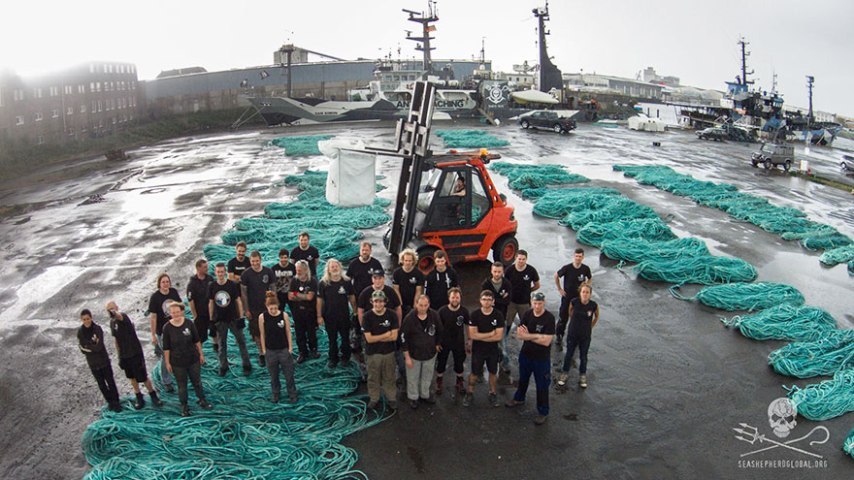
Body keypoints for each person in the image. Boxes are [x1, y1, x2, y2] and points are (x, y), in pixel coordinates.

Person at [505, 292, 555, 425]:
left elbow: (547, 341)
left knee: (542, 386)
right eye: (535, 303)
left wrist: (530, 336)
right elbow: (520, 336)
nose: (537, 306)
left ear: (543, 303)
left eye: (539, 303)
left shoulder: (549, 318)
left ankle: (543, 411)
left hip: (541, 359)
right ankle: (519, 398)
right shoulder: (527, 314)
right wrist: (538, 336)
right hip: (526, 355)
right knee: (523, 380)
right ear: (531, 302)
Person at [106, 301, 163, 409]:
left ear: (117, 307)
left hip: (135, 352)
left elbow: (119, 316)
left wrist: (115, 313)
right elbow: (116, 340)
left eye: (112, 308)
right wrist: (119, 356)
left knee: (143, 376)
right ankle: (139, 396)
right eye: (109, 310)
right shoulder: (112, 323)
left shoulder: (123, 317)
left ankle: (153, 395)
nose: (111, 311)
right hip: (124, 354)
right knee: (132, 378)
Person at [162, 302, 212, 417]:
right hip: (177, 363)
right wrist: (167, 362)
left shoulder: (189, 323)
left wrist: (201, 354)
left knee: (197, 382)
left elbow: (196, 340)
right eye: (173, 312)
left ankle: (202, 400)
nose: (176, 314)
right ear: (170, 314)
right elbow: (166, 347)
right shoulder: (167, 328)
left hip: (193, 359)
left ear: (182, 311)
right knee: (182, 385)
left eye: (177, 312)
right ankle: (184, 406)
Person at [208, 263, 252, 376]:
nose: (220, 274)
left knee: (241, 342)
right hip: (220, 320)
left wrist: (241, 317)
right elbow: (211, 303)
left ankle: (246, 365)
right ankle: (223, 366)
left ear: (225, 272)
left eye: (222, 272)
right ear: (215, 273)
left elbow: (238, 300)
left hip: (233, 318)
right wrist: (211, 320)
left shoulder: (231, 285)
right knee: (222, 345)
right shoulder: (212, 286)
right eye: (218, 272)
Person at [463, 290, 504, 408]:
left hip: (493, 351)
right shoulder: (475, 315)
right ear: (480, 301)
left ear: (493, 301)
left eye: (489, 300)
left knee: (492, 372)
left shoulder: (498, 315)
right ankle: (470, 393)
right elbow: (472, 335)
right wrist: (490, 334)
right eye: (484, 299)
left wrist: (481, 336)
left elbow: (499, 336)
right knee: (474, 373)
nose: (486, 302)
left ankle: (493, 393)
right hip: (478, 350)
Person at [400, 295, 442, 409]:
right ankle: (413, 397)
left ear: (429, 305)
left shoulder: (434, 315)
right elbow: (403, 338)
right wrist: (407, 356)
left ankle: (425, 394)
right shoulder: (409, 318)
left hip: (430, 354)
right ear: (416, 304)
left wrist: (438, 344)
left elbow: (440, 330)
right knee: (412, 377)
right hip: (414, 354)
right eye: (420, 305)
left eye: (425, 305)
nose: (423, 308)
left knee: (427, 376)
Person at [502, 250, 540, 375]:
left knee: (527, 328)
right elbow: (504, 283)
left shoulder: (531, 270)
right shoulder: (509, 270)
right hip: (511, 303)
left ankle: (529, 355)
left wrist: (528, 290)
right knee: (506, 326)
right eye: (519, 258)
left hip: (524, 304)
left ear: (526, 259)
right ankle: (503, 357)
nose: (521, 261)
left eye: (523, 259)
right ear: (516, 258)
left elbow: (537, 285)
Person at [77, 309, 121, 412]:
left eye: (88, 319)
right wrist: (92, 345)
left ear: (91, 318)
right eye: (84, 319)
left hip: (104, 361)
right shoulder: (80, 332)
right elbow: (82, 350)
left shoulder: (97, 329)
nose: (86, 321)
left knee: (110, 382)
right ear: (81, 320)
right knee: (101, 384)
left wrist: (88, 346)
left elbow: (99, 347)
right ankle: (110, 402)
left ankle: (116, 402)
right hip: (93, 364)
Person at [362, 290, 399, 410]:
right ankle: (374, 398)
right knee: (373, 377)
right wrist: (385, 335)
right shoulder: (367, 317)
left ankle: (391, 398)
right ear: (372, 302)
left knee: (389, 377)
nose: (378, 304)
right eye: (376, 302)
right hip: (373, 354)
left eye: (381, 301)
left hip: (389, 353)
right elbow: (369, 339)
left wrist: (377, 337)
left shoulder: (392, 315)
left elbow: (394, 336)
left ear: (385, 302)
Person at [259, 292, 298, 403]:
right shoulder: (262, 317)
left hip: (283, 349)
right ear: (267, 307)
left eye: (275, 308)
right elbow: (262, 334)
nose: (273, 311)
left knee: (289, 374)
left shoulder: (284, 315)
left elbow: (288, 332)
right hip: (271, 350)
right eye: (271, 309)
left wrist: (290, 347)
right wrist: (264, 350)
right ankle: (276, 393)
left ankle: (292, 393)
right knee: (273, 376)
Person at [558, 284, 599, 389]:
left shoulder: (593, 305)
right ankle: (564, 373)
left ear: (590, 294)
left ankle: (582, 375)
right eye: (583, 292)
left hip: (585, 336)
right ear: (580, 293)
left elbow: (596, 316)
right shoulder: (574, 302)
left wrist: (590, 327)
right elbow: (570, 312)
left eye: (587, 292)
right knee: (569, 354)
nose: (585, 294)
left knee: (583, 356)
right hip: (573, 334)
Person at [317, 258, 356, 368]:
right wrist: (319, 316)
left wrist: (355, 311)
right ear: (328, 269)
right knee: (332, 339)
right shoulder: (323, 283)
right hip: (329, 317)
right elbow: (320, 300)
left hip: (344, 316)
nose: (334, 268)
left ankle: (345, 357)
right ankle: (333, 358)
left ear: (340, 267)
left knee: (345, 338)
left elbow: (352, 297)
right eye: (332, 267)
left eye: (336, 266)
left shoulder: (347, 281)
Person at [240, 250, 275, 367]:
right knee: (256, 333)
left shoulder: (268, 272)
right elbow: (243, 293)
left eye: (257, 261)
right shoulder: (245, 275)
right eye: (253, 261)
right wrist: (246, 310)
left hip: (267, 308)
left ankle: (270, 351)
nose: (255, 263)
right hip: (253, 309)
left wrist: (274, 305)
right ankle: (261, 354)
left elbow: (273, 289)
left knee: (269, 330)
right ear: (250, 261)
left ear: (260, 260)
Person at [148, 273, 180, 393]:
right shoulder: (155, 297)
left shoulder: (173, 293)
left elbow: (180, 309)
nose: (166, 284)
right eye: (163, 282)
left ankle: (177, 373)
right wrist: (153, 335)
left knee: (176, 353)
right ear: (159, 284)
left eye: (167, 281)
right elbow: (153, 317)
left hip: (175, 328)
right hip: (162, 332)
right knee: (165, 356)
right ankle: (166, 381)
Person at [554, 248, 592, 349]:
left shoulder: (585, 269)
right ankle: (559, 335)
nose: (578, 258)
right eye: (576, 256)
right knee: (563, 317)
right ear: (573, 256)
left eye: (580, 256)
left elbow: (590, 278)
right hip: (567, 298)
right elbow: (556, 275)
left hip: (579, 300)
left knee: (578, 319)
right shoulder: (567, 268)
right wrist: (559, 289)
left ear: (583, 257)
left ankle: (576, 337)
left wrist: (586, 288)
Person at [436, 287, 469, 397]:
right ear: (449, 298)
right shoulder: (442, 311)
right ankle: (439, 382)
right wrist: (437, 342)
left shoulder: (464, 311)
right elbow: (437, 328)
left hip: (458, 342)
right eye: (453, 297)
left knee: (459, 363)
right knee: (441, 362)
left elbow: (468, 326)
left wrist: (469, 340)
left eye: (457, 297)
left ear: (460, 298)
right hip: (444, 342)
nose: (455, 299)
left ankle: (459, 382)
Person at [288, 260, 320, 363]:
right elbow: (290, 296)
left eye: (300, 270)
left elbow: (310, 297)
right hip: (297, 312)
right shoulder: (294, 281)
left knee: (311, 332)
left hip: (310, 312)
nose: (298, 272)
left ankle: (313, 349)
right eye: (297, 270)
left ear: (306, 270)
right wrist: (302, 296)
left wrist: (296, 294)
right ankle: (303, 352)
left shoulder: (312, 281)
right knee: (299, 333)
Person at [187, 258, 217, 353]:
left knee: (214, 331)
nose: (207, 269)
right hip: (200, 315)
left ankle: (216, 347)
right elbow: (190, 300)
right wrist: (195, 315)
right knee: (200, 336)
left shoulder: (210, 279)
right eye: (204, 267)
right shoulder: (192, 283)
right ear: (198, 268)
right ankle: (199, 353)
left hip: (211, 312)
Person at [392, 248, 424, 317]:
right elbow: (396, 289)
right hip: (401, 301)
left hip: (412, 302)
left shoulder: (418, 273)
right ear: (402, 260)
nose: (408, 263)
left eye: (410, 261)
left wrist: (415, 303)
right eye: (406, 260)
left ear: (413, 261)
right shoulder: (396, 273)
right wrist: (400, 304)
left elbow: (418, 290)